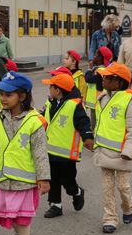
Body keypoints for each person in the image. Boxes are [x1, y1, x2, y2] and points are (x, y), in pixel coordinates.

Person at [0, 72, 50, 235]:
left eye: (8, 94)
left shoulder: (34, 121)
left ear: (22, 96)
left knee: (22, 218)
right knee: (10, 216)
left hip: (25, 181)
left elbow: (40, 151)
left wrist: (44, 177)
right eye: (1, 94)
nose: (2, 98)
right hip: (4, 179)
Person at [90, 62, 132, 234]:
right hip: (104, 152)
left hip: (122, 154)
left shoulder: (131, 101)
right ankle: (110, 218)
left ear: (119, 82)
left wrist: (129, 152)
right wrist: (95, 143)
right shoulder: (102, 98)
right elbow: (99, 125)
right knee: (107, 188)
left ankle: (128, 207)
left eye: (107, 77)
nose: (103, 79)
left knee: (123, 187)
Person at [40, 71, 94, 218]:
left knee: (68, 182)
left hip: (67, 154)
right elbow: (41, 118)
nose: (49, 89)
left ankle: (76, 192)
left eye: (51, 86)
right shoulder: (50, 103)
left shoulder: (74, 105)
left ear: (58, 90)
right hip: (50, 151)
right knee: (52, 179)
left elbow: (83, 122)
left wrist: (88, 137)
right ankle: (55, 205)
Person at [83, 45, 113, 128]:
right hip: (95, 101)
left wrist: (89, 69)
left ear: (100, 58)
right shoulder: (98, 69)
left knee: (95, 120)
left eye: (95, 55)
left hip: (97, 100)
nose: (93, 57)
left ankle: (94, 134)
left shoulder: (101, 70)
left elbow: (88, 79)